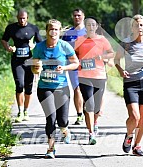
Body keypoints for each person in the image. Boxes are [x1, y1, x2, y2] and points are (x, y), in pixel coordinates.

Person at [32, 19, 79, 159]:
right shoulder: (39, 47)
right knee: (50, 118)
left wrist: (64, 67)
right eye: (51, 29)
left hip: (61, 87)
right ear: (46, 31)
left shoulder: (64, 46)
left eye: (56, 30)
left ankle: (65, 130)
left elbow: (76, 63)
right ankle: (50, 149)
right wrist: (36, 68)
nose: (53, 32)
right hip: (44, 87)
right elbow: (34, 69)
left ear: (59, 32)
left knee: (62, 120)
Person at [114, 14, 143, 156]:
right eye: (136, 25)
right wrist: (121, 71)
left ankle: (137, 146)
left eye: (141, 25)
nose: (139, 27)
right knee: (135, 116)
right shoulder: (126, 43)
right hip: (130, 84)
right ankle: (129, 135)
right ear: (132, 28)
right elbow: (116, 60)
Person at [75, 16, 114, 145]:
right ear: (85, 27)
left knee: (96, 107)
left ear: (97, 26)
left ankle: (95, 122)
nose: (91, 27)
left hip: (99, 76)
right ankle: (91, 133)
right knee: (89, 104)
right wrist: (77, 62)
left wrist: (102, 56)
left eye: (93, 25)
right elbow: (73, 55)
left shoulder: (102, 40)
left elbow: (111, 53)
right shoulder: (79, 40)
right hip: (84, 76)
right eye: (88, 25)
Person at [1, 9, 43, 123]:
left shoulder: (33, 28)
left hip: (29, 61)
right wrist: (8, 47)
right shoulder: (11, 28)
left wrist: (33, 46)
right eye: (20, 18)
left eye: (24, 18)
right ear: (17, 18)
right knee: (19, 84)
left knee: (28, 88)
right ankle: (19, 111)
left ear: (27, 18)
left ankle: (26, 111)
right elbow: (4, 40)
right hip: (17, 61)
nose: (22, 20)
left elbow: (40, 43)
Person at [62, 8, 86, 125]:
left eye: (79, 15)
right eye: (75, 15)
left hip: (88, 66)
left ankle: (89, 111)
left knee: (88, 90)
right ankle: (80, 114)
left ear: (83, 17)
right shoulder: (67, 34)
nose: (77, 17)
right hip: (74, 66)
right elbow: (61, 49)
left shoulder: (89, 32)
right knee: (77, 89)